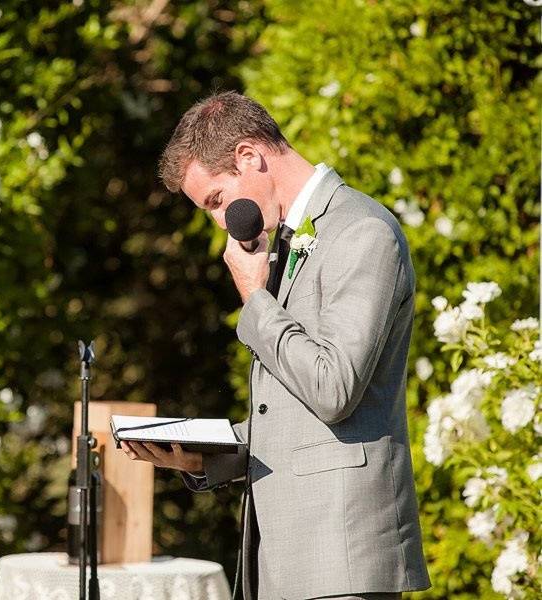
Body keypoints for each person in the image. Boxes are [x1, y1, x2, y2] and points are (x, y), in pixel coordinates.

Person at [122, 92, 431, 600]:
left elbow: (333, 388)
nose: (221, 223)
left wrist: (254, 299)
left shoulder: (362, 230)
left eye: (216, 201)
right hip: (285, 559)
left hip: (342, 557)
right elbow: (294, 419)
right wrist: (202, 457)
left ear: (249, 157)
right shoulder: (282, 243)